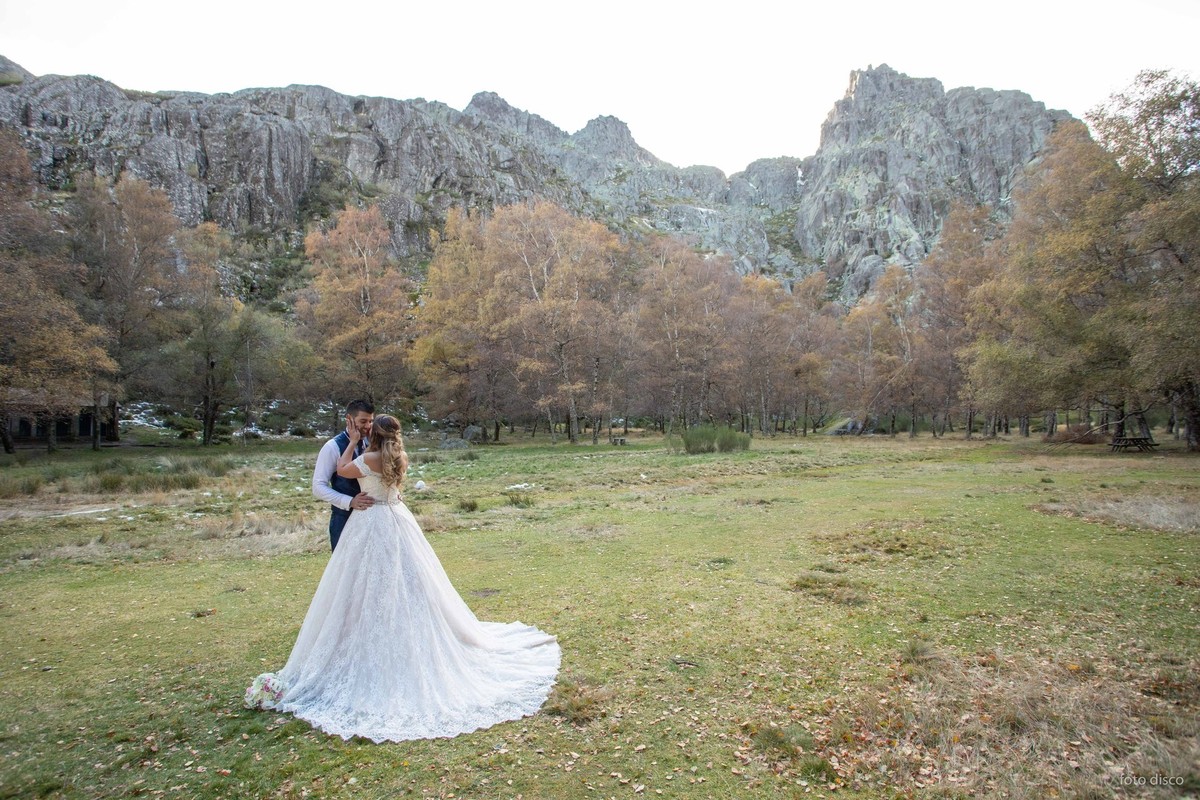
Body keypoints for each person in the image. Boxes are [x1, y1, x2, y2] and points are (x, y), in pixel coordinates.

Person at [247, 414, 560, 742]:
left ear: (375, 435)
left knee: (367, 583)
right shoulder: (400, 458)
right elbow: (393, 489)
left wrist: (352, 442)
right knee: (408, 581)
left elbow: (341, 470)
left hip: (370, 522)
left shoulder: (366, 458)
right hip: (397, 517)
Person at [312, 400, 376, 551]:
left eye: (370, 421)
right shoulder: (332, 447)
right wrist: (349, 501)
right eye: (363, 421)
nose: (367, 426)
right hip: (344, 518)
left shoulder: (373, 443)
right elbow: (318, 487)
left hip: (373, 519)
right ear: (349, 419)